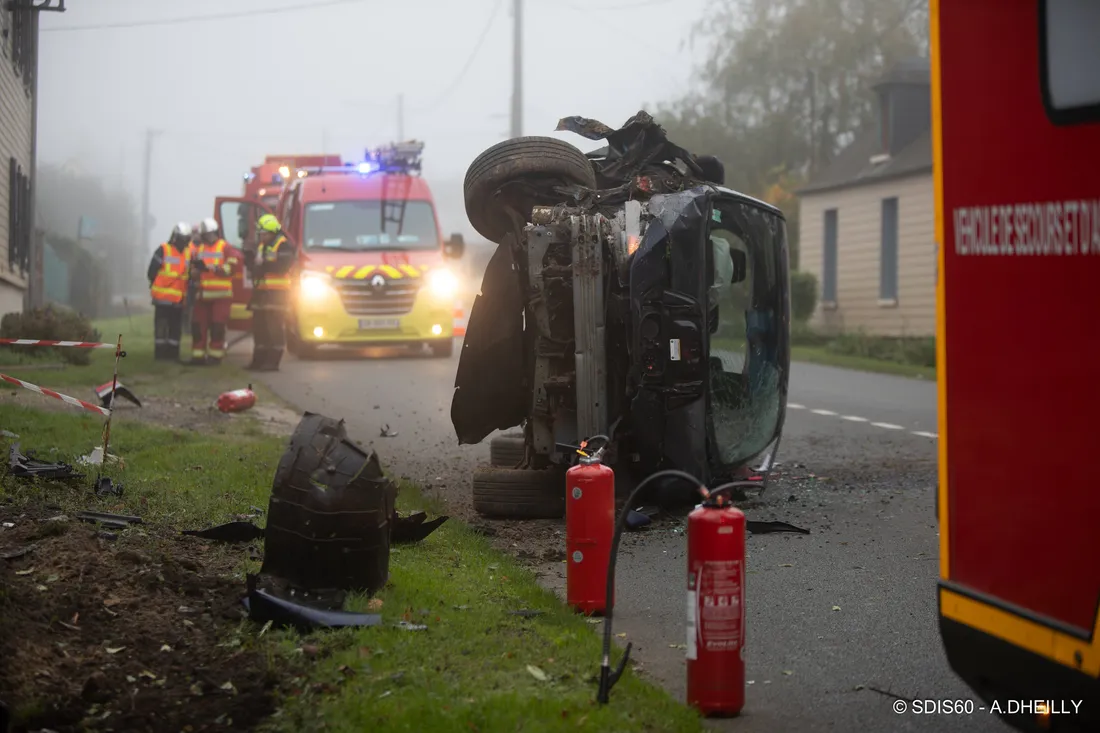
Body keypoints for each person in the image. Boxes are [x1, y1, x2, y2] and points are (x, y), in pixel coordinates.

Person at [247, 214, 296, 371]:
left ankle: (272, 362)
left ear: (272, 232)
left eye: (264, 234)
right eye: (260, 234)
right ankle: (258, 361)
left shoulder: (284, 245)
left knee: (274, 328)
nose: (261, 237)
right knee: (259, 329)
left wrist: (262, 266)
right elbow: (257, 267)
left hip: (277, 295)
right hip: (261, 293)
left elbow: (281, 267)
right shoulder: (262, 246)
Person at [186, 218, 235, 365]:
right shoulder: (199, 249)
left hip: (221, 295)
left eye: (209, 234)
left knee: (217, 327)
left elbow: (231, 268)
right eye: (205, 235)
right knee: (197, 327)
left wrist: (213, 268)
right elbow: (193, 270)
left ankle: (215, 357)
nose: (207, 237)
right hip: (202, 295)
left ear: (215, 233)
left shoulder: (225, 247)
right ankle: (198, 356)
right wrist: (194, 272)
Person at [146, 222, 191, 361]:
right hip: (163, 298)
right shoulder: (163, 250)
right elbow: (151, 271)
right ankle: (160, 354)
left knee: (175, 329)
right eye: (181, 239)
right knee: (161, 327)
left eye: (186, 239)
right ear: (175, 237)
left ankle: (173, 355)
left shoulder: (188, 253)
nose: (183, 242)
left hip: (178, 299)